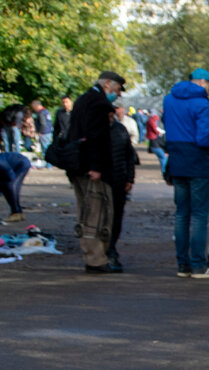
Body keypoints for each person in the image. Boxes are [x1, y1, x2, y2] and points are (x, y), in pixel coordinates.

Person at [164, 67, 209, 278]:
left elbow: (176, 128)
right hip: (198, 164)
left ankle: (183, 266)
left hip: (176, 162)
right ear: (203, 82)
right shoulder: (202, 103)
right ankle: (199, 265)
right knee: (199, 216)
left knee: (181, 215)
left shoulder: (169, 99)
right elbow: (202, 140)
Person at [66, 70, 125, 274]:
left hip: (77, 165)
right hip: (91, 167)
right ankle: (96, 259)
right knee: (96, 213)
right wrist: (96, 167)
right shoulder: (99, 103)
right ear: (107, 84)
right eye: (117, 89)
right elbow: (96, 138)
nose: (118, 94)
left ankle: (95, 257)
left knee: (87, 211)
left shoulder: (83, 99)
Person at [107, 104, 139, 269]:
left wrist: (130, 178)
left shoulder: (120, 130)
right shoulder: (94, 130)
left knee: (117, 217)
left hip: (119, 180)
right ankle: (106, 251)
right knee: (103, 218)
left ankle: (111, 248)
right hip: (101, 182)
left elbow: (129, 155)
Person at [0, 151, 31, 223]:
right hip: (10, 166)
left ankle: (17, 213)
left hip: (21, 163)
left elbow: (8, 171)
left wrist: (11, 182)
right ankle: (17, 212)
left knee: (10, 186)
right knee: (6, 186)